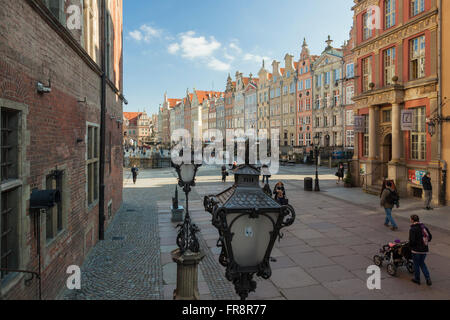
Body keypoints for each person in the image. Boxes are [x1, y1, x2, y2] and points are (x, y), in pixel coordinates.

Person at [409, 214, 432, 286]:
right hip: (424, 249)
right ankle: (428, 278)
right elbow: (430, 237)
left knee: (416, 264)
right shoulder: (424, 227)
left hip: (416, 250)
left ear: (412, 220)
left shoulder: (412, 229)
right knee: (422, 263)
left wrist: (410, 247)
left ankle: (417, 279)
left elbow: (412, 241)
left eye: (410, 219)